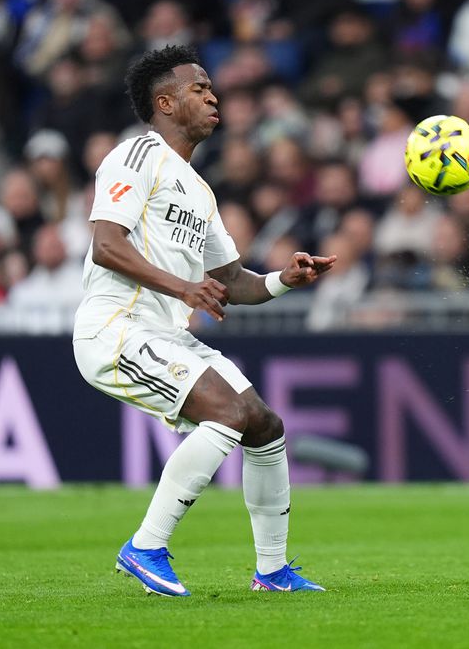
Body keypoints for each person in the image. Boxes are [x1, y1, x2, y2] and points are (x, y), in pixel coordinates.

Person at [72, 45, 337, 596]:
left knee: (264, 425)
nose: (214, 96)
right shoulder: (135, 157)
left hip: (163, 332)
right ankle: (146, 545)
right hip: (115, 327)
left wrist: (285, 278)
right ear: (164, 102)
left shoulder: (199, 190)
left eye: (212, 87)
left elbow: (233, 281)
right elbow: (106, 245)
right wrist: (184, 287)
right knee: (228, 413)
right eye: (200, 88)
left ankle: (272, 571)